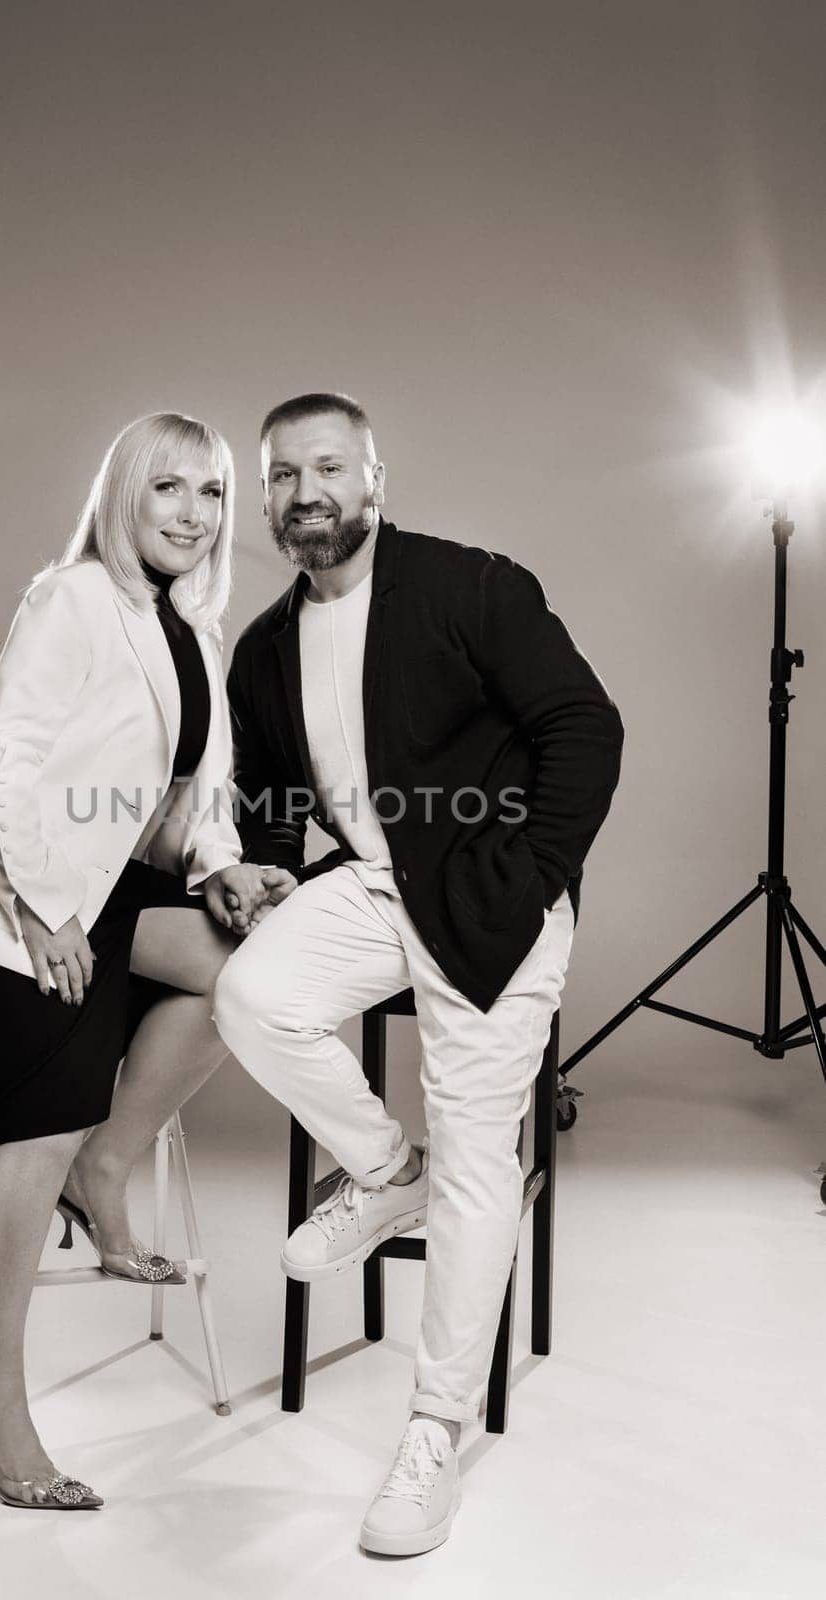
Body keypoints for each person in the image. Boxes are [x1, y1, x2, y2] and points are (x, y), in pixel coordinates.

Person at [212, 392, 624, 1556]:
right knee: (250, 997)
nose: (307, 494)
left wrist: (534, 873)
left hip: (491, 890)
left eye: (328, 468)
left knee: (480, 1149)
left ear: (374, 479)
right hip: (376, 885)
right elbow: (273, 810)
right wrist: (254, 871)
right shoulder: (264, 648)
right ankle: (385, 1170)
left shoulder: (470, 585)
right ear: (267, 499)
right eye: (284, 476)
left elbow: (584, 728)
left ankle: (432, 1432)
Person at [0, 412, 273, 1510]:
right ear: (123, 498)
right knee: (41, 1117)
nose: (191, 514)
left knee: (244, 972)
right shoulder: (73, 595)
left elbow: (201, 799)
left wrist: (223, 868)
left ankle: (109, 1165)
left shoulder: (194, 629)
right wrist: (47, 914)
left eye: (209, 494)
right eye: (167, 491)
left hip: (99, 891)